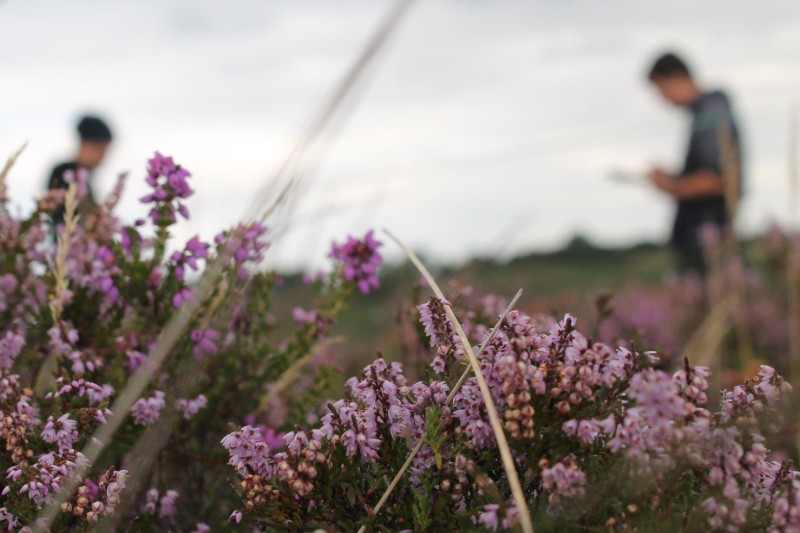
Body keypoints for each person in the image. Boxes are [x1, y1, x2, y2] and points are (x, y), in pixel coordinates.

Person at [646, 52, 742, 274]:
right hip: (705, 237)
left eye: (661, 90)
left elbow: (716, 178)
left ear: (676, 78)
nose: (663, 99)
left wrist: (670, 186)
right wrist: (673, 177)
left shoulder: (710, 110)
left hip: (705, 240)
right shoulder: (705, 110)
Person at [47, 115, 113, 230]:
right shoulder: (67, 173)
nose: (103, 156)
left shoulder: (82, 175)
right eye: (102, 149)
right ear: (87, 144)